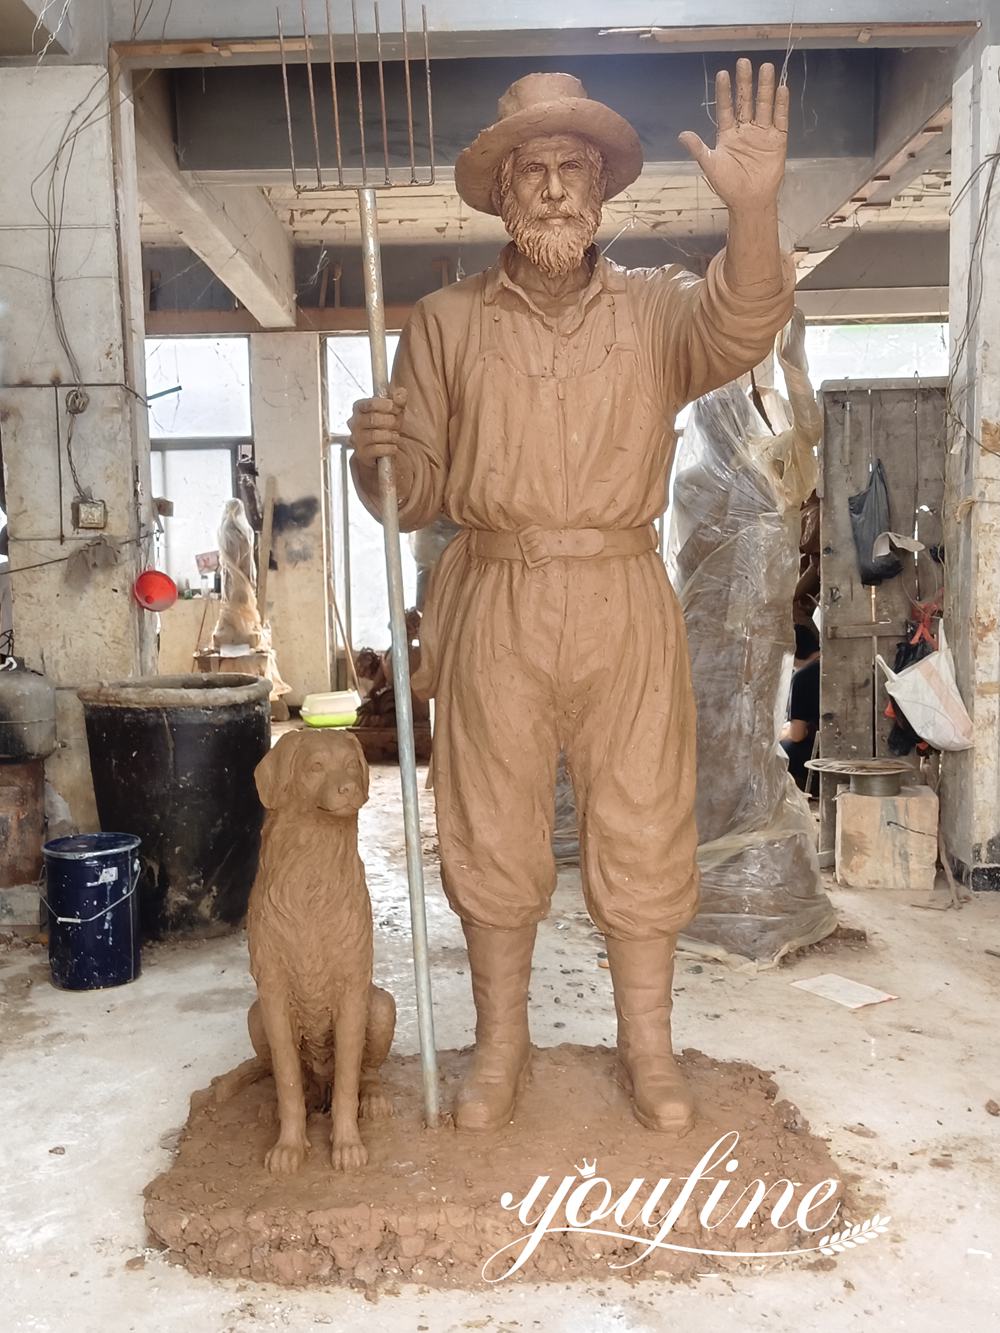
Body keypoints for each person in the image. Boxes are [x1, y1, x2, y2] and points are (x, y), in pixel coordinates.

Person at [348, 63, 795, 1136]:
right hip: (494, 592)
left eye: (571, 168)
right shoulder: (445, 321)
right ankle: (501, 1044)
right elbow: (414, 496)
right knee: (492, 823)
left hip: (621, 591)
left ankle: (648, 1045)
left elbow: (746, 321)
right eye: (532, 169)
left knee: (643, 816)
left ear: (600, 187)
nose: (552, 187)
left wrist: (752, 210)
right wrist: (375, 460)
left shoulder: (657, 311)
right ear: (502, 192)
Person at [780, 622, 821, 791]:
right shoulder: (840, 663)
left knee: (778, 750)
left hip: (823, 758)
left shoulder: (802, 677)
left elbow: (797, 735)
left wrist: (778, 734)